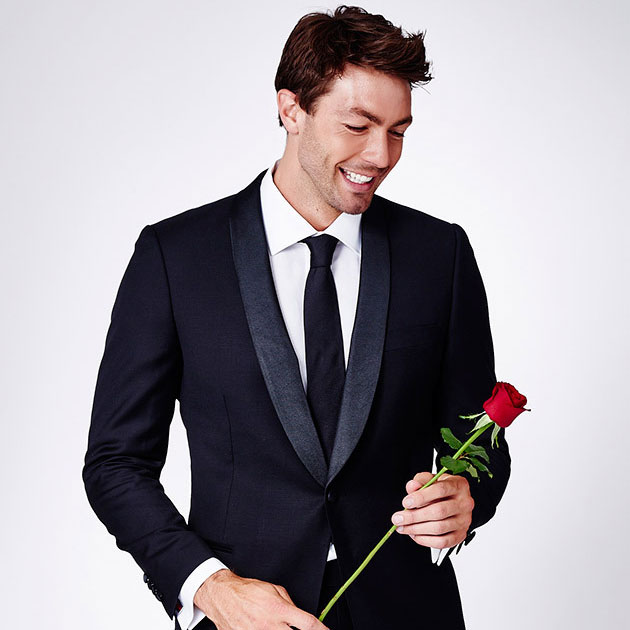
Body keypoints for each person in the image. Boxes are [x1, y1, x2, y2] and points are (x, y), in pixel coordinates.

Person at [83, 6, 510, 630]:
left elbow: (481, 439)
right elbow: (116, 463)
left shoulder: (438, 255)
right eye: (358, 125)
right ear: (291, 109)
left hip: (409, 612)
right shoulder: (175, 257)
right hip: (243, 616)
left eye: (398, 131)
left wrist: (467, 499)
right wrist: (210, 588)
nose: (381, 155)